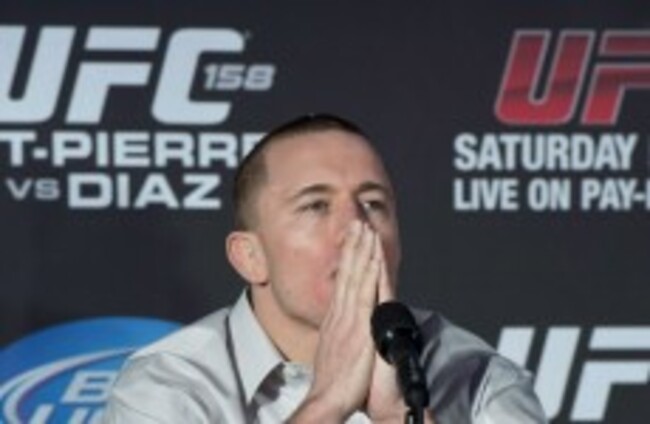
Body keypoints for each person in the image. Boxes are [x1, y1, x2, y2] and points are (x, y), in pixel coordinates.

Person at [103, 114, 548, 423]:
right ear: (250, 256)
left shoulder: (475, 377)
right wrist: (326, 404)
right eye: (316, 206)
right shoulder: (168, 384)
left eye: (373, 204)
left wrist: (400, 417)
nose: (356, 227)